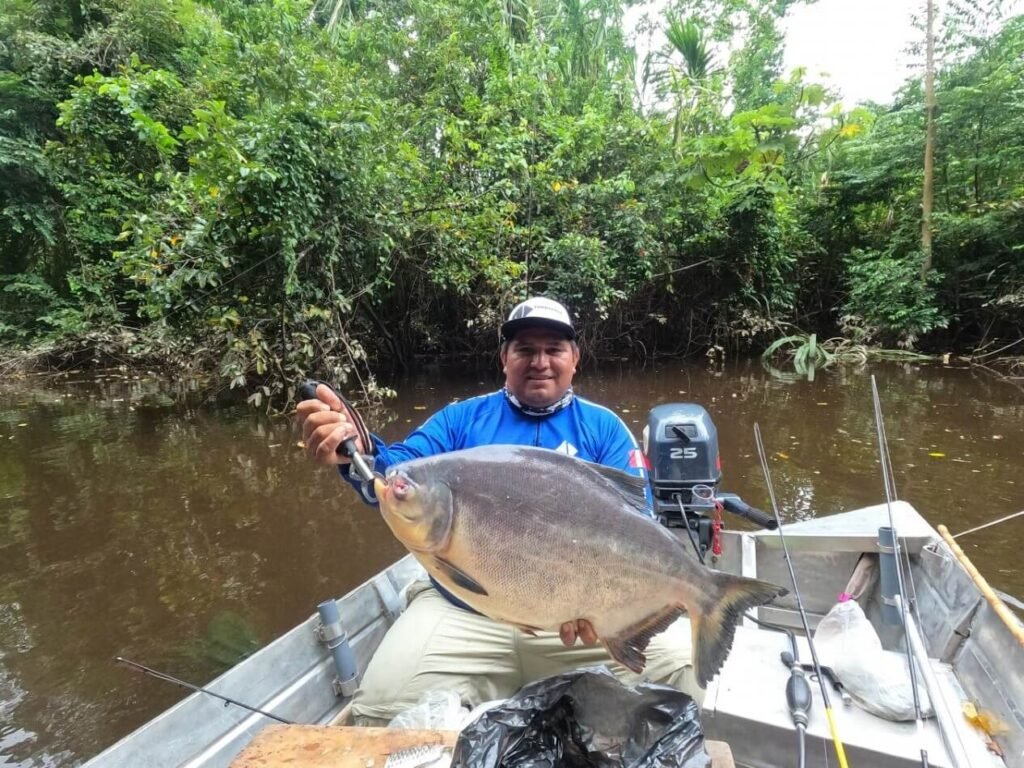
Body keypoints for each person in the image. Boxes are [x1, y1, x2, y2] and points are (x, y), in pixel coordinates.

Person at [296, 297, 699, 725]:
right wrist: (356, 450)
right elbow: (393, 479)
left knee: (681, 674)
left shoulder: (604, 429)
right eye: (525, 349)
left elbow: (639, 530)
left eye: (553, 349)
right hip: (462, 607)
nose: (539, 361)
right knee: (381, 706)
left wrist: (607, 606)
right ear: (504, 357)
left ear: (575, 358)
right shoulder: (460, 421)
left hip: (576, 619)